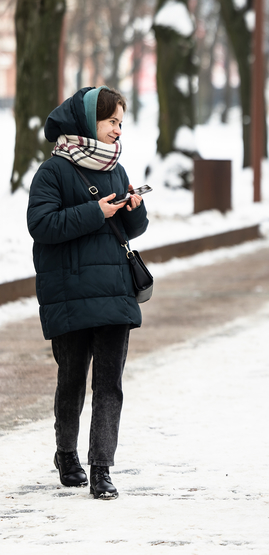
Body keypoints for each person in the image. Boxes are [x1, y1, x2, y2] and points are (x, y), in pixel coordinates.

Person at [27, 86, 149, 501]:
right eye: (111, 120)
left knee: (110, 384)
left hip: (114, 291)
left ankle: (101, 467)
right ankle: (66, 453)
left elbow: (131, 231)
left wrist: (134, 209)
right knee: (73, 379)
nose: (118, 129)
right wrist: (96, 211)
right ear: (86, 121)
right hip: (70, 291)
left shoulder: (115, 167)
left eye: (120, 121)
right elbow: (41, 226)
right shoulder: (53, 171)